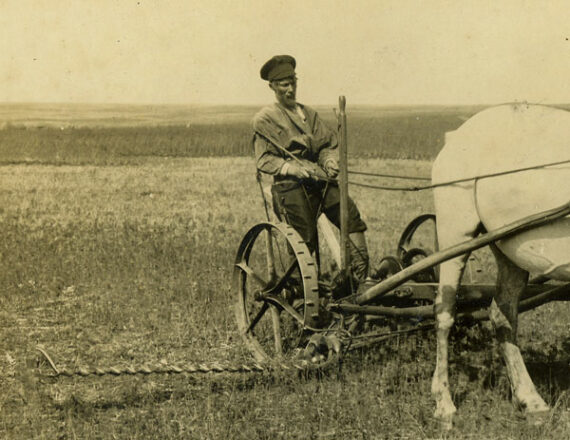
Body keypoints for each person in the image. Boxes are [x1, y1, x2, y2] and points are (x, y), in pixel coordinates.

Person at [252, 54, 370, 285]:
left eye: (293, 82)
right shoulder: (265, 119)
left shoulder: (310, 114)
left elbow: (326, 145)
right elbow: (264, 159)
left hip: (318, 180)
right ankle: (303, 293)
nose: (290, 88)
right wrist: (290, 168)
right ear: (272, 87)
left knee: (350, 216)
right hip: (290, 187)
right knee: (303, 238)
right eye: (284, 84)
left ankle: (360, 280)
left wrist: (328, 162)